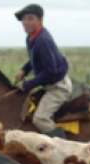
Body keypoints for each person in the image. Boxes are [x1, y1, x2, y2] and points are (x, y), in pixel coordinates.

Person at [13, 4, 71, 139]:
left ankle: (64, 145)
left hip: (57, 88)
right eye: (23, 19)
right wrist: (24, 69)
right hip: (49, 85)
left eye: (30, 18)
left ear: (40, 20)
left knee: (40, 119)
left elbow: (50, 72)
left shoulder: (42, 40)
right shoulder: (31, 37)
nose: (25, 22)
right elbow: (35, 59)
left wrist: (27, 85)